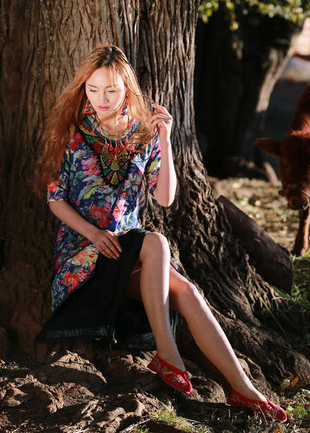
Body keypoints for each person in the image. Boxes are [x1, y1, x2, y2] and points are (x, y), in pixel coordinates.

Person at [35, 44, 286, 422]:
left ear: (127, 91)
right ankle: (167, 354)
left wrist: (165, 140)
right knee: (156, 242)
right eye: (93, 90)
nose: (101, 99)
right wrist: (92, 233)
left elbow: (165, 198)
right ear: (84, 88)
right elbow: (55, 199)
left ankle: (243, 389)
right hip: (84, 257)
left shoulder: (143, 134)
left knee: (187, 290)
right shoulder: (72, 132)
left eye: (112, 91)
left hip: (129, 254)